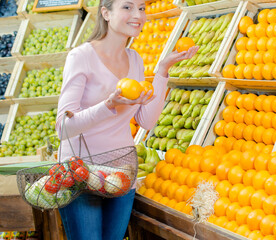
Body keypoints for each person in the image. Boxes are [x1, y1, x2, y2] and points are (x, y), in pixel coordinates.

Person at [55, 0, 198, 239]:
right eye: (127, 7)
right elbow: (63, 128)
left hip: (122, 174)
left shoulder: (135, 60)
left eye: (141, 8)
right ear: (106, 13)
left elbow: (146, 121)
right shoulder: (81, 57)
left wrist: (162, 72)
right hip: (81, 174)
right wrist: (108, 105)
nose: (138, 15)